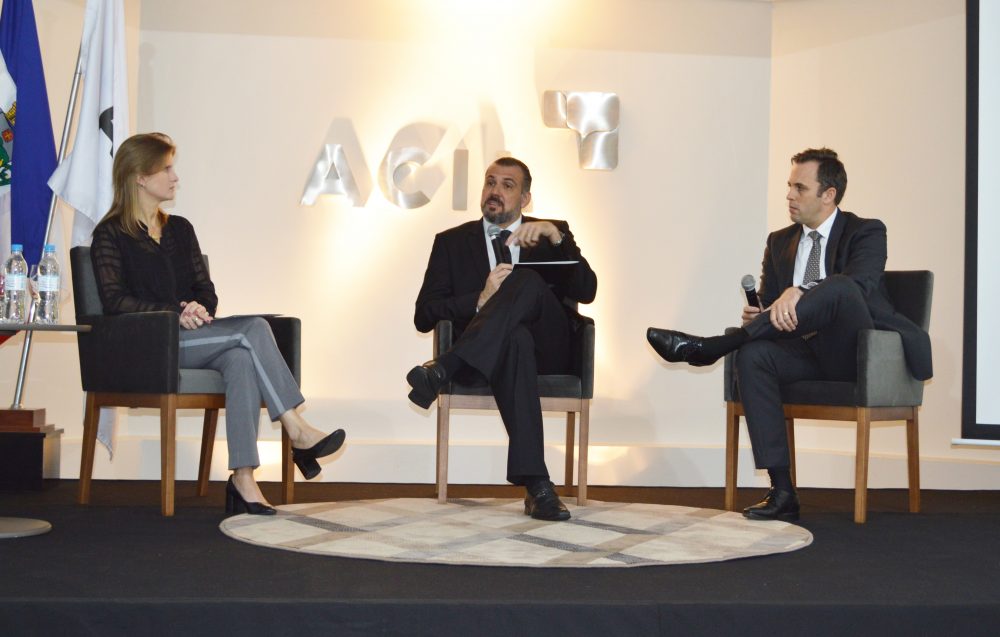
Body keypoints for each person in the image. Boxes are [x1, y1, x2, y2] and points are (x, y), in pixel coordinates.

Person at [646, 148, 932, 521]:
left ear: (829, 194)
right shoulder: (779, 241)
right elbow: (773, 305)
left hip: (855, 354)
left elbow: (860, 285)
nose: (789, 195)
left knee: (840, 286)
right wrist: (760, 315)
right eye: (789, 186)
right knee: (753, 355)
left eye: (800, 188)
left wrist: (800, 290)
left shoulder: (867, 230)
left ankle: (712, 347)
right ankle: (782, 490)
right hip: (802, 352)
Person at [90, 132, 346, 516]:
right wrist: (175, 311)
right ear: (140, 177)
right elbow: (115, 300)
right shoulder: (110, 234)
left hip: (194, 337)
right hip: (151, 345)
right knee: (253, 329)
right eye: (166, 169)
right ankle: (296, 429)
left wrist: (198, 307)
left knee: (240, 359)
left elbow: (206, 290)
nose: (175, 177)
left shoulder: (180, 229)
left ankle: (243, 478)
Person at [407, 157, 597, 521]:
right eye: (490, 182)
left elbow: (587, 291)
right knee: (516, 340)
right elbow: (424, 314)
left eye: (507, 185)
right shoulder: (451, 242)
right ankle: (538, 487)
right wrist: (479, 299)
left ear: (525, 198)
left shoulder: (552, 233)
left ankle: (444, 368)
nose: (495, 191)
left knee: (524, 280)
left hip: (550, 349)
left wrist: (557, 239)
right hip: (491, 357)